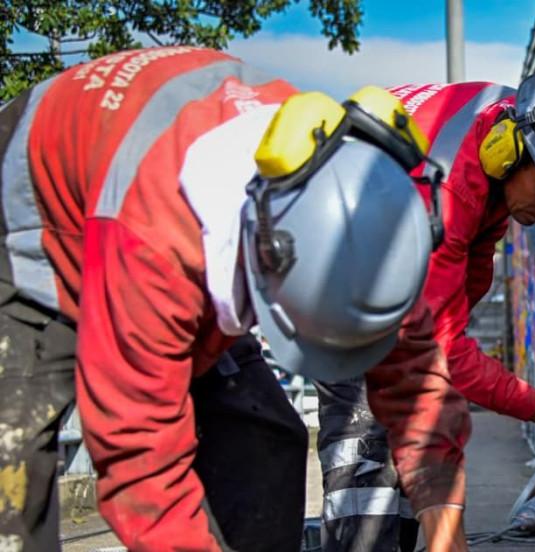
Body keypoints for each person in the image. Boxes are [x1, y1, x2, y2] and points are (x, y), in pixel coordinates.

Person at [0, 46, 471, 551]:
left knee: (265, 445)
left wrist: (447, 539)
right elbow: (144, 469)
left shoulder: (359, 212)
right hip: (31, 238)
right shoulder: (155, 246)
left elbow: (418, 392)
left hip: (168, 223)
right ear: (264, 260)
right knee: (13, 481)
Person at [316, 63, 535, 551]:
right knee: (366, 495)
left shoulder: (507, 126)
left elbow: (454, 311)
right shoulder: (442, 193)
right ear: (517, 154)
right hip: (337, 292)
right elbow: (440, 353)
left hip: (391, 276)